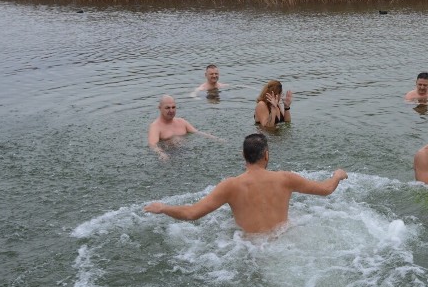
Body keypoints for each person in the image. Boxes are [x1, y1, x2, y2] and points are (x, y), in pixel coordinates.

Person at [144, 133, 348, 233]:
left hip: (250, 249)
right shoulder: (285, 178)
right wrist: (337, 174)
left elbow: (191, 213)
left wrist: (164, 208)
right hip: (284, 242)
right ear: (266, 155)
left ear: (243, 155)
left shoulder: (230, 186)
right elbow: (326, 189)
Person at [148, 95, 221, 159]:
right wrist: (162, 154)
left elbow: (197, 132)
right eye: (167, 108)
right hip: (169, 155)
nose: (171, 110)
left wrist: (216, 139)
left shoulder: (181, 122)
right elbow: (153, 145)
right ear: (160, 108)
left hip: (186, 151)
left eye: (173, 107)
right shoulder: (155, 126)